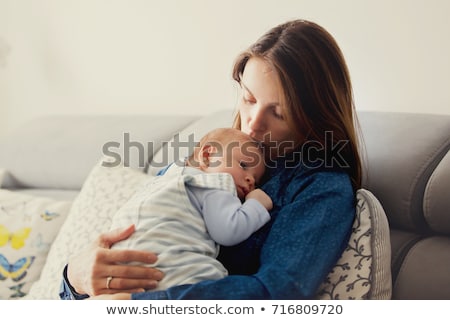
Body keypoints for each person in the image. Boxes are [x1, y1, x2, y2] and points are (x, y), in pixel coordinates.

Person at [60, 18, 362, 300]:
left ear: (313, 119)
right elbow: (136, 236)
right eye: (249, 99)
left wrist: (136, 304)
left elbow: (276, 293)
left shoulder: (318, 188)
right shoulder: (206, 161)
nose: (253, 124)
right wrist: (74, 277)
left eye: (279, 112)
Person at [106, 127, 272, 291]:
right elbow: (228, 231)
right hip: (176, 275)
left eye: (256, 181)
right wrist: (256, 204)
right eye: (243, 165)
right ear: (207, 157)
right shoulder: (216, 183)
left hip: (121, 273)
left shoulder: (162, 180)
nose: (250, 179)